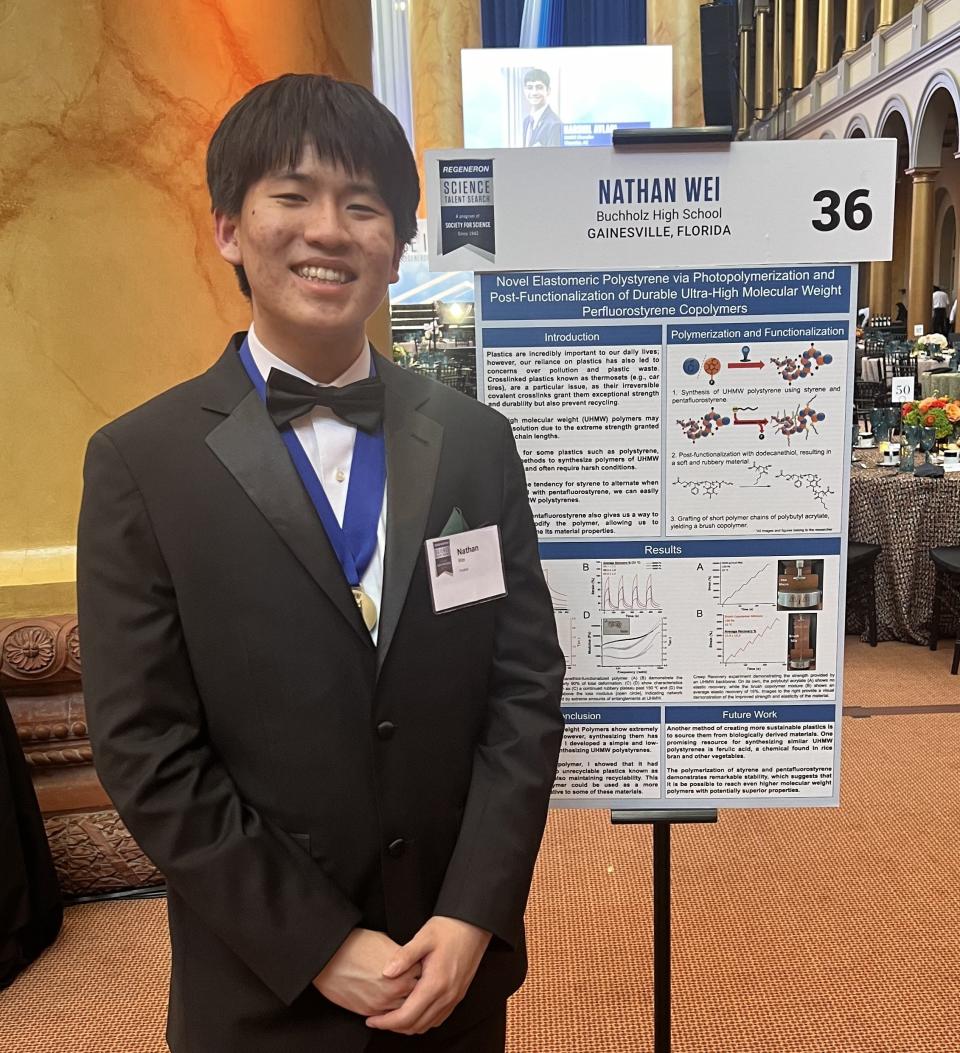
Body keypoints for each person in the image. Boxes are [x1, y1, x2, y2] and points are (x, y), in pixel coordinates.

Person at [77, 73, 565, 1053]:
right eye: (292, 196)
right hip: (262, 989)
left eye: (364, 204)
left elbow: (523, 689)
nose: (329, 230)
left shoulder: (473, 441)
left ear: (399, 240)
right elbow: (145, 747)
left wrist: (473, 912)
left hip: (448, 970)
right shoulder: (144, 460)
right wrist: (316, 942)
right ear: (229, 228)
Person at [521, 68, 563, 148]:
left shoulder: (555, 124)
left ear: (548, 91)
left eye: (539, 87)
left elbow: (556, 158)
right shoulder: (526, 122)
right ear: (525, 91)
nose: (534, 93)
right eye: (530, 87)